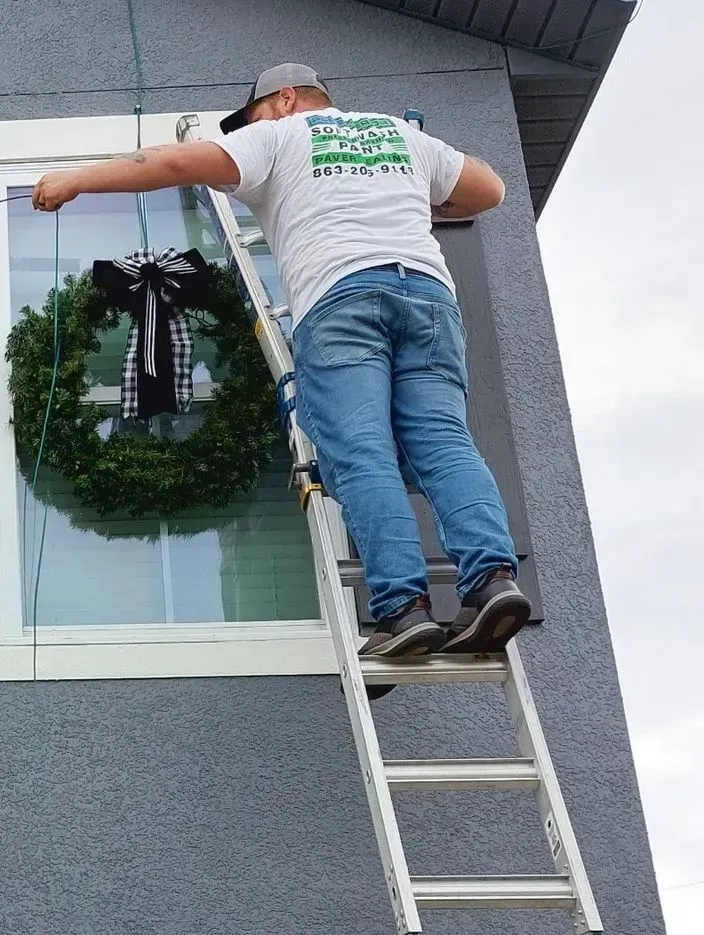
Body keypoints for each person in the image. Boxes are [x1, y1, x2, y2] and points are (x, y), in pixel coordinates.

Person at [31, 62, 530, 661]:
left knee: (362, 451)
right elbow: (489, 190)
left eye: (254, 113)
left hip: (342, 300)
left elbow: (169, 164)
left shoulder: (279, 136)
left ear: (287, 98)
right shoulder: (401, 136)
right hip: (427, 298)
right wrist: (402, 200)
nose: (249, 127)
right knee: (445, 443)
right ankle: (493, 582)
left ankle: (403, 609)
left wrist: (76, 180)